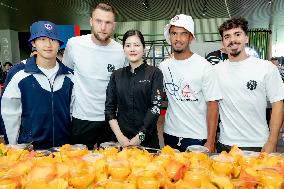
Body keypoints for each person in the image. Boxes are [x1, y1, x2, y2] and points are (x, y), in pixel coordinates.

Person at [1, 21, 74, 149]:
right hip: (30, 151)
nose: (48, 44)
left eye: (53, 39)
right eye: (42, 39)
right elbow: (9, 114)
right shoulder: (19, 74)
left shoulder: (69, 76)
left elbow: (74, 113)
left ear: (59, 44)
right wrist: (13, 148)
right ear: (34, 43)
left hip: (63, 150)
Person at [215, 17, 284, 153]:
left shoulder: (266, 68)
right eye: (227, 36)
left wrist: (272, 140)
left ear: (246, 38)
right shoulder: (216, 70)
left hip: (258, 144)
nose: (232, 40)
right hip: (225, 144)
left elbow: (278, 104)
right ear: (223, 42)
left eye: (237, 34)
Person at [63, 2, 126, 149]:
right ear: (91, 21)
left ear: (114, 25)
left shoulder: (120, 51)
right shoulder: (74, 44)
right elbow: (67, 74)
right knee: (80, 164)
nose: (103, 27)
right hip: (82, 118)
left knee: (110, 166)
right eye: (99, 21)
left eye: (108, 22)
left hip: (110, 120)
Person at [159, 14, 222, 152]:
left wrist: (211, 141)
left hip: (197, 136)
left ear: (190, 37)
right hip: (170, 134)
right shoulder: (163, 66)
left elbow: (213, 105)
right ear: (169, 36)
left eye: (183, 34)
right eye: (174, 33)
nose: (178, 38)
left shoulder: (204, 66)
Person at [105, 30, 163, 148]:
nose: (132, 49)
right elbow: (109, 110)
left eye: (136, 45)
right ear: (124, 49)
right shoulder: (116, 75)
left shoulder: (154, 73)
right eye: (128, 45)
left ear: (143, 48)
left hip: (147, 139)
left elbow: (155, 107)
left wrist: (140, 137)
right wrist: (120, 138)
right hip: (121, 140)